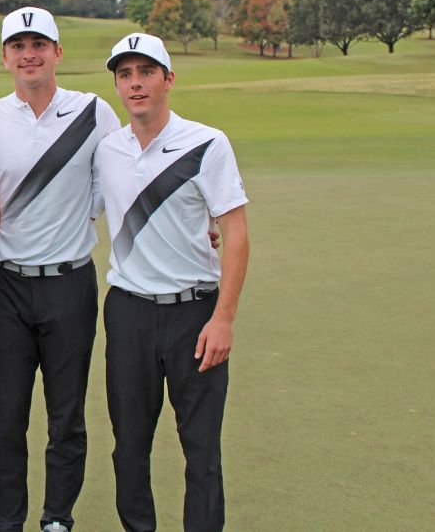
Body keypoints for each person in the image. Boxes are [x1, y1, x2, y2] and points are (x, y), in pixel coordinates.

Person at [0, 7, 120, 532]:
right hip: (4, 287)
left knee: (66, 416)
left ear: (57, 52)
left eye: (38, 44)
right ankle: (7, 521)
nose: (28, 53)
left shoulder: (94, 112)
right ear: (6, 57)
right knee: (4, 419)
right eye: (17, 45)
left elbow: (119, 182)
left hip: (69, 283)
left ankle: (57, 517)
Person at [94, 33, 250, 532]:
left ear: (168, 79)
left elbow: (237, 233)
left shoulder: (207, 143)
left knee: (201, 449)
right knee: (129, 447)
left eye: (145, 73)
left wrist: (223, 318)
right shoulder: (107, 150)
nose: (135, 84)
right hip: (129, 311)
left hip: (194, 313)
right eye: (125, 75)